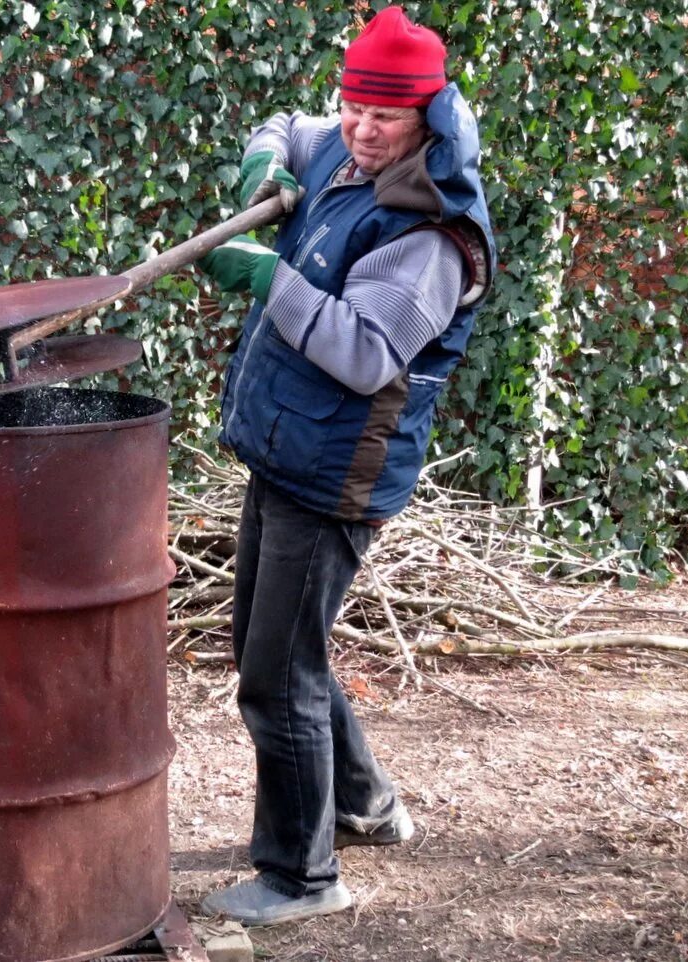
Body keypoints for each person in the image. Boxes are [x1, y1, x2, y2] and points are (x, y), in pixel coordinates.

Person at [193, 7, 496, 926]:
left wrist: (268, 279)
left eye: (384, 117)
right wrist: (264, 163)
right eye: (353, 106)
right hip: (287, 445)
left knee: (274, 673)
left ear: (428, 118)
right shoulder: (343, 149)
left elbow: (365, 354)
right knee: (281, 647)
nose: (360, 131)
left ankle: (301, 877)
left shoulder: (433, 234)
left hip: (334, 476)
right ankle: (364, 803)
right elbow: (291, 126)